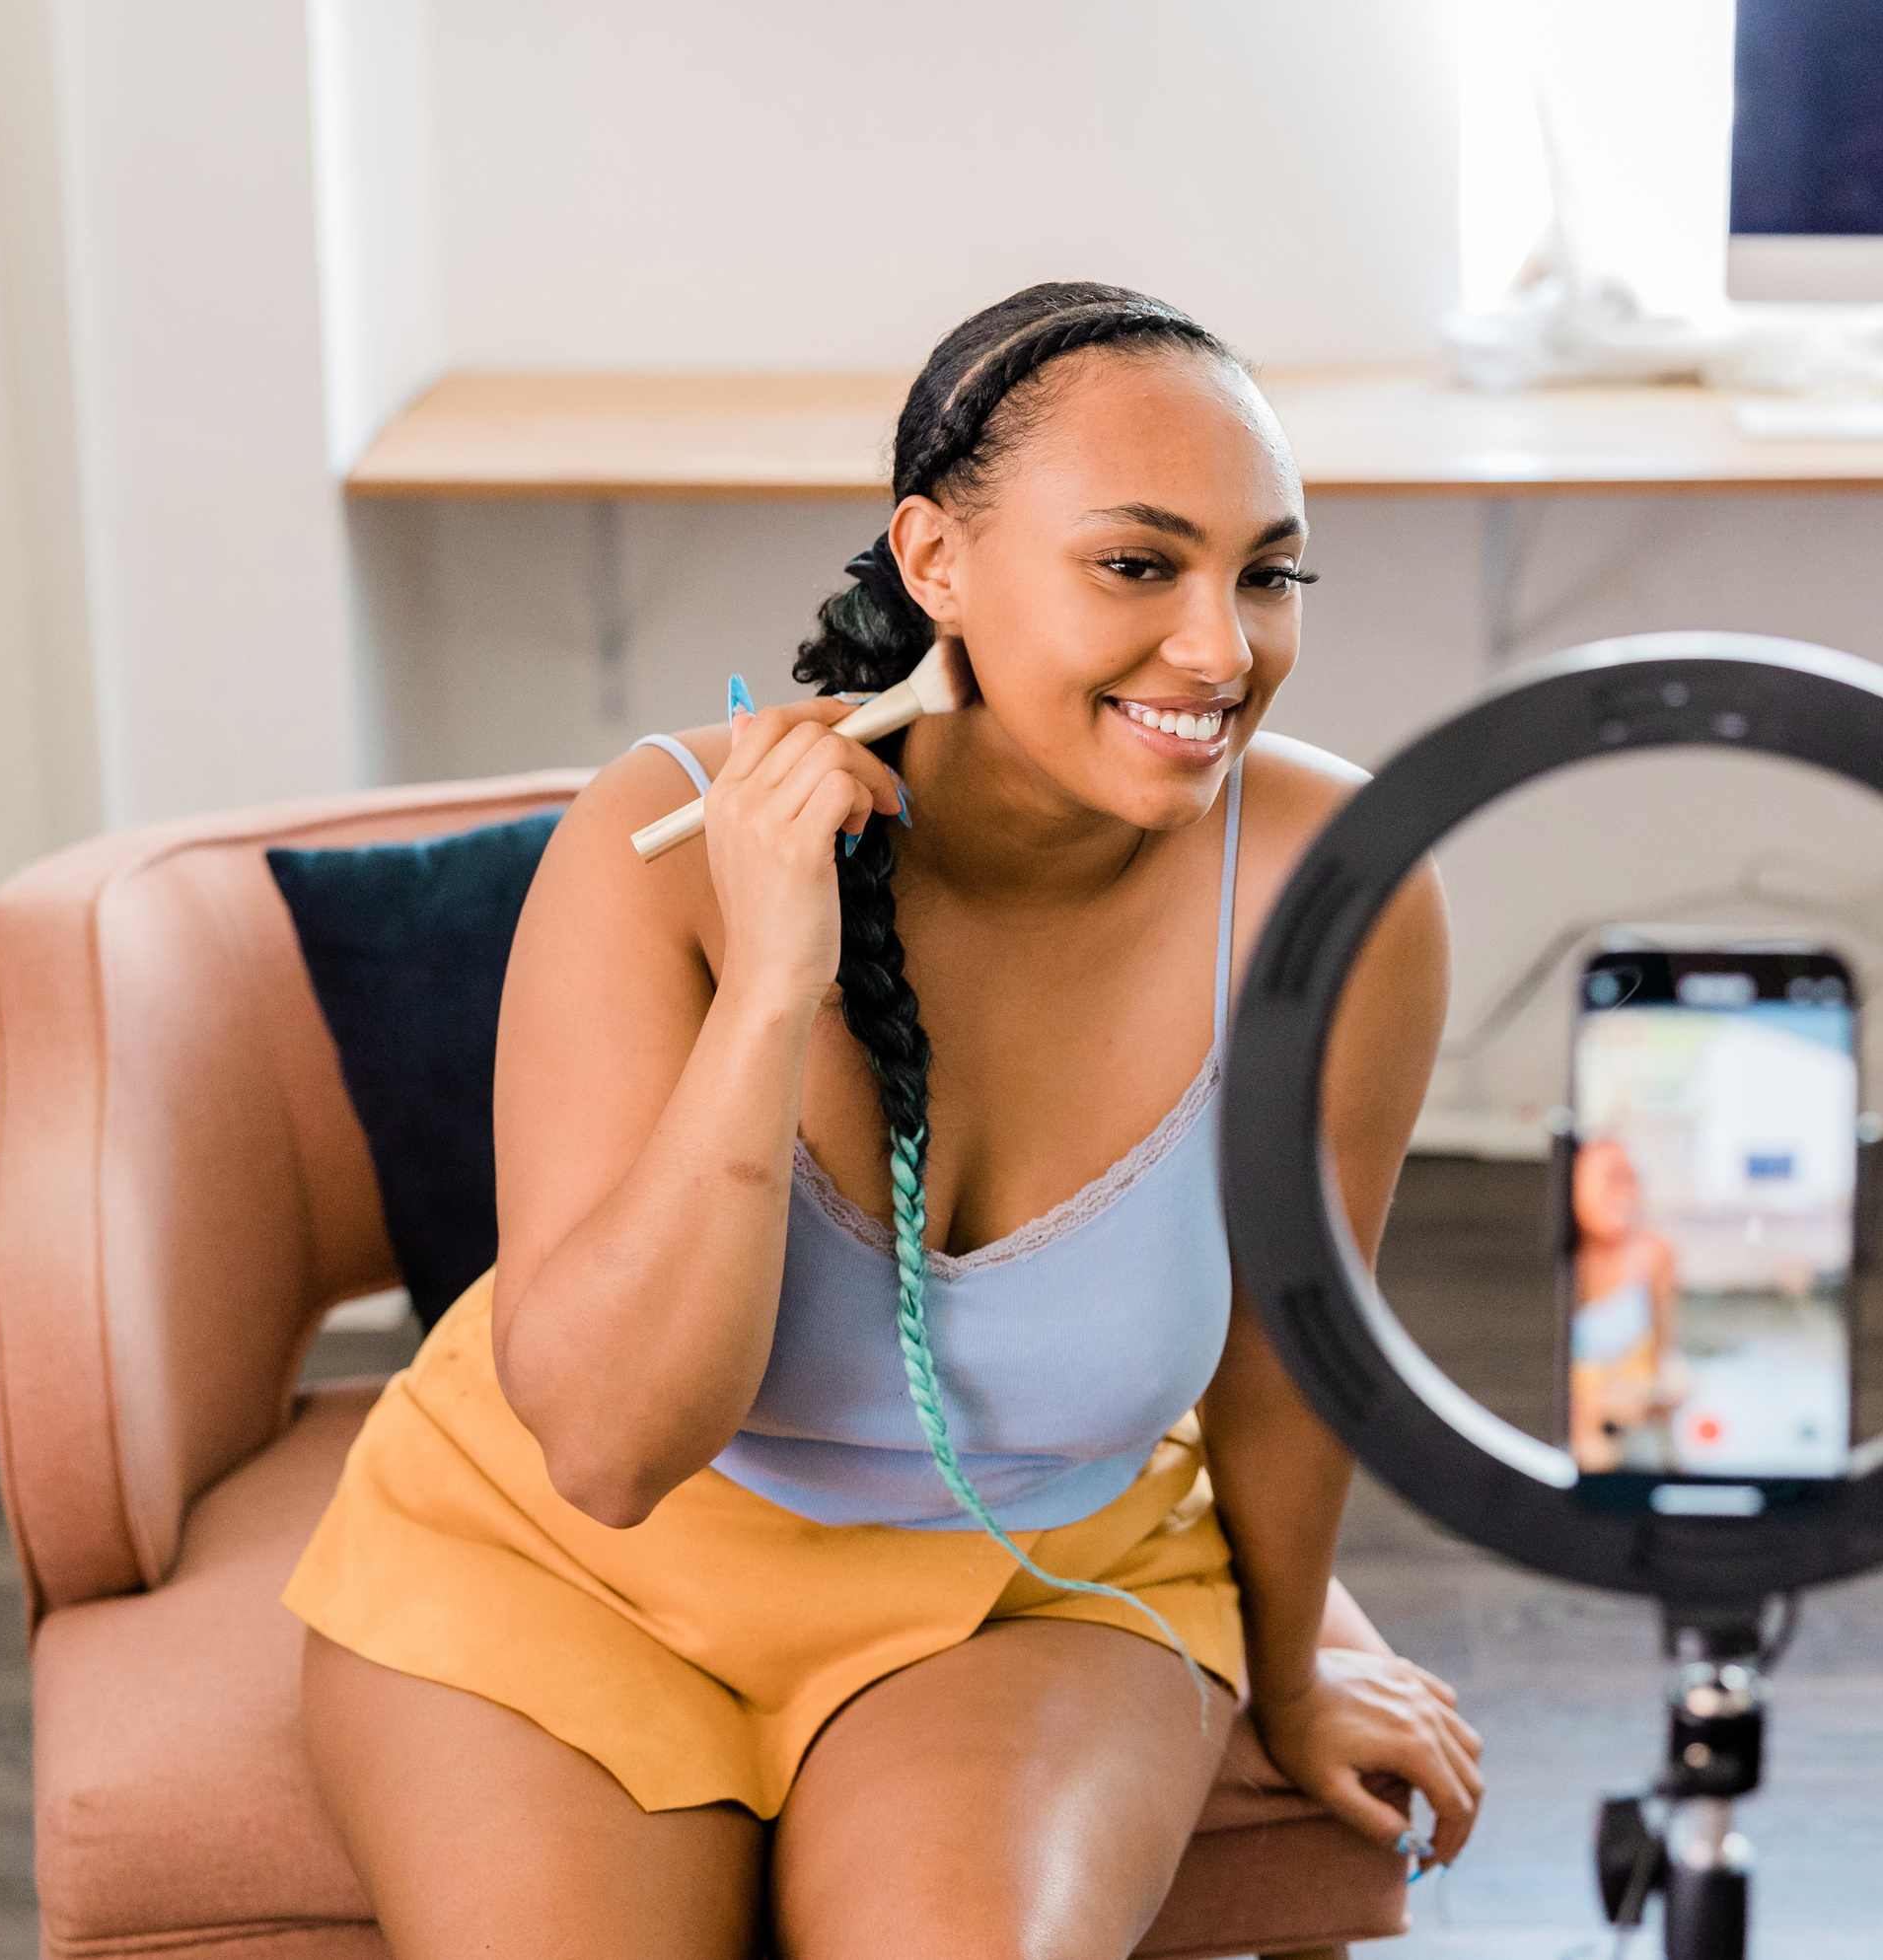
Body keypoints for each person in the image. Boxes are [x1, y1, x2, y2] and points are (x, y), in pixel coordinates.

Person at [285, 282, 1480, 1957]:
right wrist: (773, 986)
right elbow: (611, 1452)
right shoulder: (655, 843)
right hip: (559, 1569)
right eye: (1137, 564)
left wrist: (1297, 1670)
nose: (1223, 650)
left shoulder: (1333, 891)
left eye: (1268, 574)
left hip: (1034, 1585)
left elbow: (1290, 1349)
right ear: (936, 559)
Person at [1565, 1136, 1691, 1473]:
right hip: (1572, 1438)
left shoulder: (1654, 1252)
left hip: (1634, 1435)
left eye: (1632, 1178)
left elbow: (1667, 1356)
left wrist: (1667, 1389)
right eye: (1612, 1177)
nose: (1625, 1191)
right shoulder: (1563, 1263)